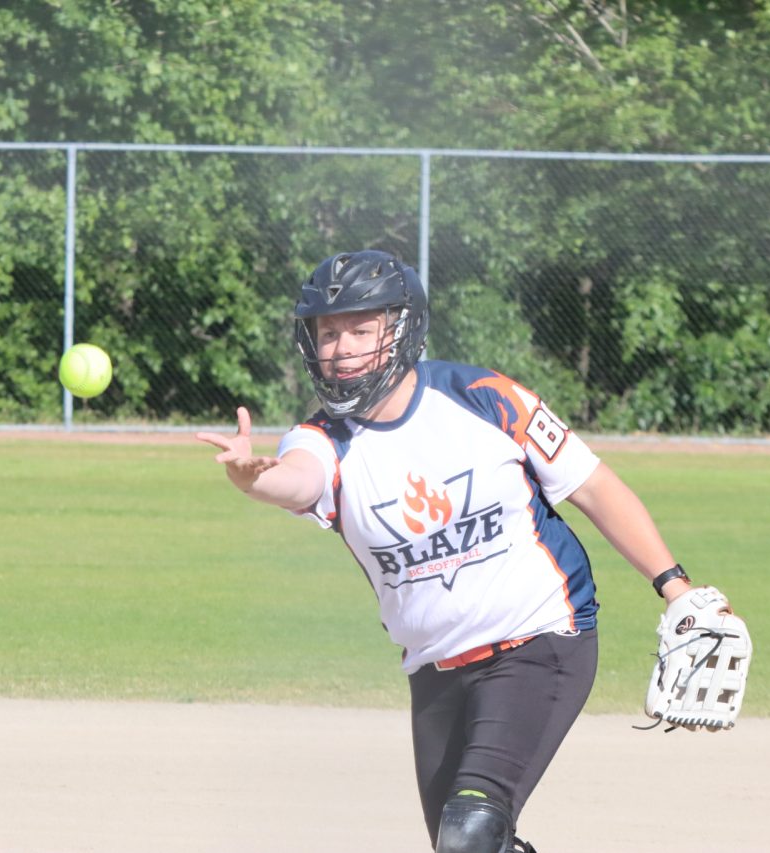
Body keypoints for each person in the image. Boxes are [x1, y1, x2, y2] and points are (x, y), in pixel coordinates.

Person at [195, 250, 698, 853]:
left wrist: (678, 588)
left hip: (539, 641)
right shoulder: (321, 439)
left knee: (469, 833)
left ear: (402, 330)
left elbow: (592, 486)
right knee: (470, 844)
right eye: (328, 333)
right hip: (435, 671)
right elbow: (298, 479)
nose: (342, 347)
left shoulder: (483, 397)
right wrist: (255, 480)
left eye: (361, 329)